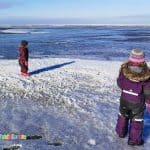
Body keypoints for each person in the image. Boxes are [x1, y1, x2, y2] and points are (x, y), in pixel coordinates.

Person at [116, 49, 150, 146]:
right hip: (137, 102)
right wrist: (148, 102)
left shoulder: (124, 69)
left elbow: (119, 83)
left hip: (124, 99)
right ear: (143, 60)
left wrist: (127, 87)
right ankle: (134, 140)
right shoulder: (146, 73)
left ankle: (120, 132)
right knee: (137, 120)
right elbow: (148, 91)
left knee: (123, 115)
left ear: (130, 58)